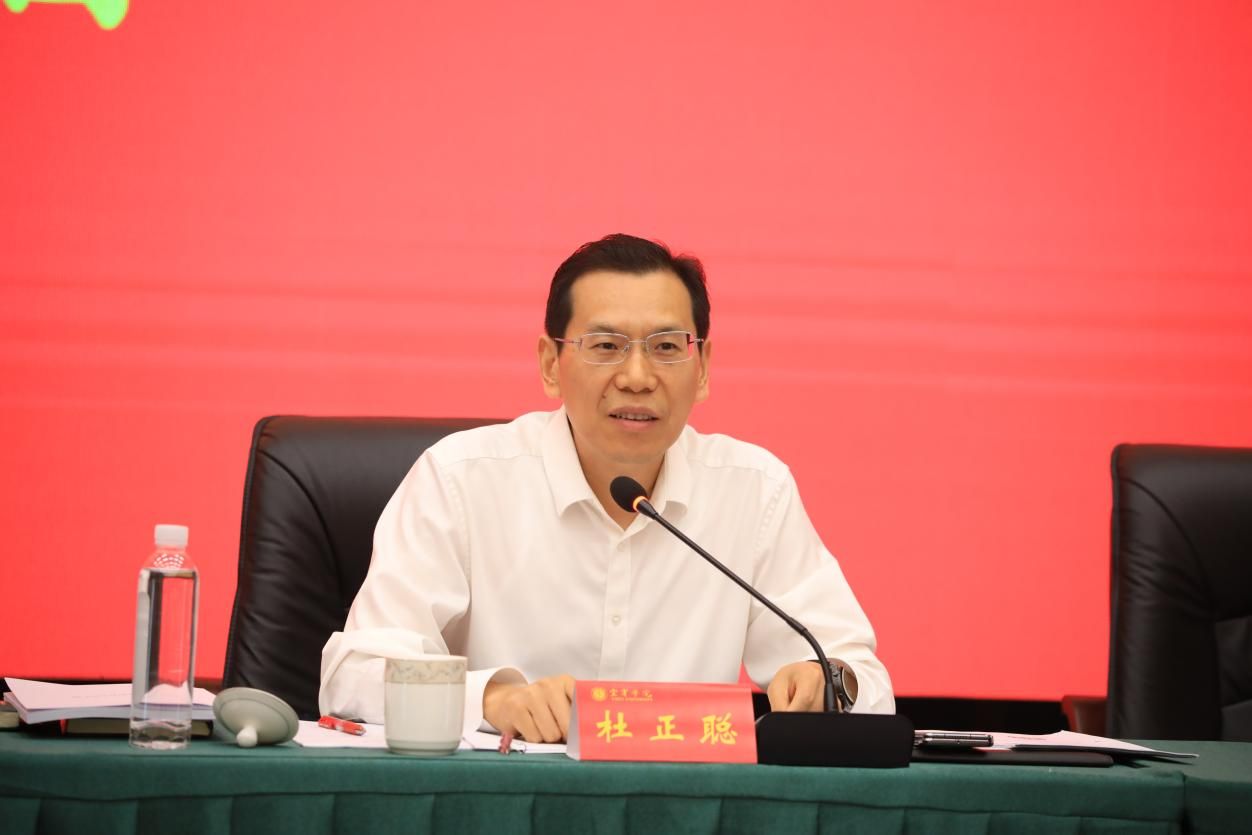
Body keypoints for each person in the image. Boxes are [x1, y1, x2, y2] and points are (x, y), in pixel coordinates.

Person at [319, 233, 894, 742]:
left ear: (702, 368)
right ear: (551, 364)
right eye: (605, 346)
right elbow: (355, 674)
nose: (638, 377)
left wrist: (827, 682)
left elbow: (863, 681)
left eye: (666, 347)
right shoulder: (460, 480)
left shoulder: (754, 491)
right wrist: (492, 700)